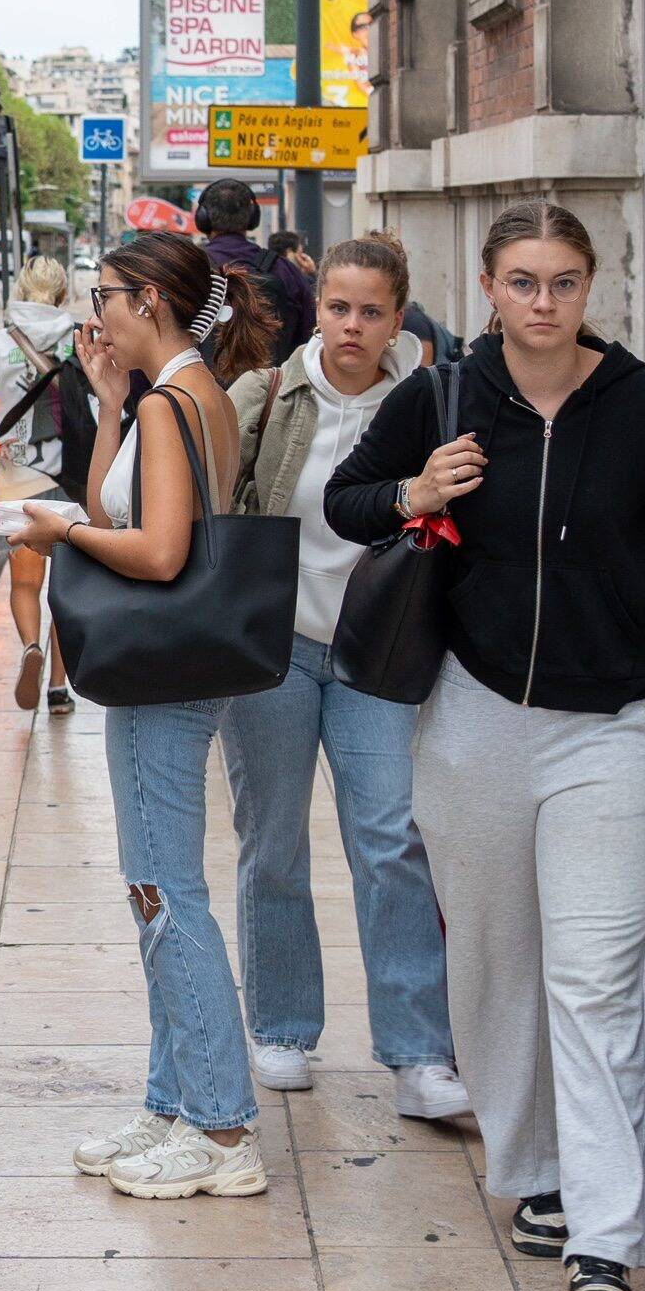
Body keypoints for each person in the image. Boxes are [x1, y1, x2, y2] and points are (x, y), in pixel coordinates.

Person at [324, 199, 645, 1291]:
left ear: (589, 286)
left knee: (598, 976)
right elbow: (343, 500)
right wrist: (415, 491)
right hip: (470, 717)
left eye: (563, 281)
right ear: (488, 286)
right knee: (498, 967)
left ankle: (606, 1244)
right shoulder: (443, 395)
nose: (544, 303)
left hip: (606, 726)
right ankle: (540, 1177)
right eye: (523, 282)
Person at [7, 232, 281, 1201]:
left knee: (166, 893)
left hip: (163, 673)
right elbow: (115, 504)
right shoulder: (180, 395)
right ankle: (173, 1101)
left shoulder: (178, 402)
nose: (98, 317)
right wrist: (109, 405)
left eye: (108, 298)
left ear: (152, 303)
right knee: (156, 889)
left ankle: (220, 1125)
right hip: (176, 663)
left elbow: (156, 550)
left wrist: (56, 530)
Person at [219, 232, 469, 1121]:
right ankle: (282, 1027)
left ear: (398, 318)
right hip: (275, 648)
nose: (351, 327)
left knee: (392, 841)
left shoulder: (431, 404)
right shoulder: (267, 393)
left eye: (371, 312)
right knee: (274, 841)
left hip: (382, 656)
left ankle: (417, 1052)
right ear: (314, 308)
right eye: (337, 308)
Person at [0, 255, 92, 715]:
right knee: (66, 590)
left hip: (18, 481)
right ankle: (57, 687)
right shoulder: (78, 339)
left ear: (21, 292)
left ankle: (30, 647)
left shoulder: (1, 342)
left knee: (26, 584)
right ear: (63, 294)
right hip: (73, 476)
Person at [198, 178, 314, 364]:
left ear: (202, 218)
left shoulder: (186, 268)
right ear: (253, 217)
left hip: (198, 389)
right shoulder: (286, 271)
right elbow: (309, 337)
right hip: (272, 389)